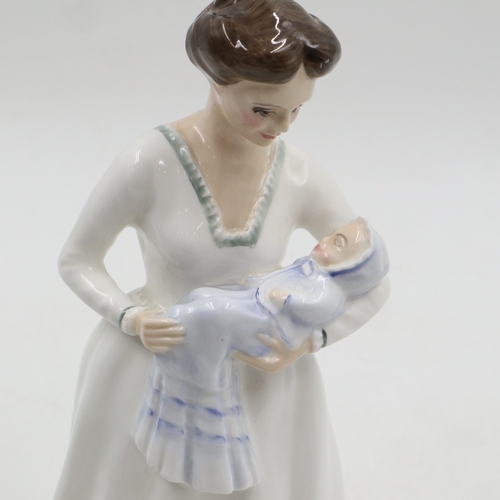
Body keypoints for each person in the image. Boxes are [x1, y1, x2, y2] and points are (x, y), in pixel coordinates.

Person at [54, 1, 390, 499]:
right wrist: (131, 317)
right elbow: (77, 259)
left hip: (263, 382)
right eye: (264, 110)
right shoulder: (149, 163)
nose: (283, 126)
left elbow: (372, 279)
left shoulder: (298, 173)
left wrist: (309, 342)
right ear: (218, 80)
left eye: (298, 109)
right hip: (157, 363)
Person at [133, 218, 389, 494]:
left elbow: (322, 306)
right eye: (331, 235)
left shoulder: (327, 287)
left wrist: (308, 337)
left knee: (208, 312)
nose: (325, 240)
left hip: (265, 321)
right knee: (201, 296)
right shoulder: (308, 268)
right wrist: (131, 318)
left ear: (351, 266)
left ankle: (187, 332)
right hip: (250, 303)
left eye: (338, 243)